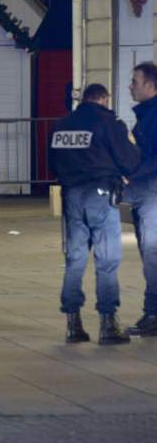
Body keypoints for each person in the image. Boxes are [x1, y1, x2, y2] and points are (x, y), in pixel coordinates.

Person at [48, 84, 139, 345]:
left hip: (72, 196)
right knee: (107, 259)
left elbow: (52, 163)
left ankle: (73, 323)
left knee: (75, 259)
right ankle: (108, 323)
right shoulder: (108, 123)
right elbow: (129, 160)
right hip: (100, 194)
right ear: (103, 99)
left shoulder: (61, 125)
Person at [125, 62, 157, 337]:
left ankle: (154, 313)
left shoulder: (154, 115)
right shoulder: (147, 115)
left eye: (135, 81)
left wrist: (131, 173)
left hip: (152, 193)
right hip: (146, 191)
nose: (130, 86)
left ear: (150, 85)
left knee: (152, 254)